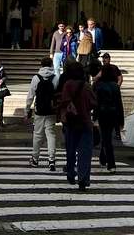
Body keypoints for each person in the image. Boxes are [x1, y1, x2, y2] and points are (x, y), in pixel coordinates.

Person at [57, 59, 96, 191]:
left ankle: (70, 173)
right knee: (84, 152)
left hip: (70, 122)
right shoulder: (86, 86)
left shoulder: (67, 85)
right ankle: (83, 179)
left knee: (71, 150)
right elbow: (93, 102)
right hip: (85, 121)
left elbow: (63, 101)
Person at [26, 57, 58, 172]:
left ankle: (35, 159)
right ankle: (51, 160)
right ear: (51, 65)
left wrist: (27, 110)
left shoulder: (36, 78)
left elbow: (30, 96)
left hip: (39, 111)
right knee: (51, 135)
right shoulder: (55, 78)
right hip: (51, 111)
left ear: (41, 65)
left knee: (37, 135)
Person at [94, 60, 124, 174]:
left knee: (105, 137)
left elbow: (97, 103)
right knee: (107, 137)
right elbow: (119, 103)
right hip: (113, 114)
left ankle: (110, 162)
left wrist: (95, 117)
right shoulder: (115, 86)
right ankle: (105, 159)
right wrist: (121, 120)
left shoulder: (99, 86)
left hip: (102, 113)